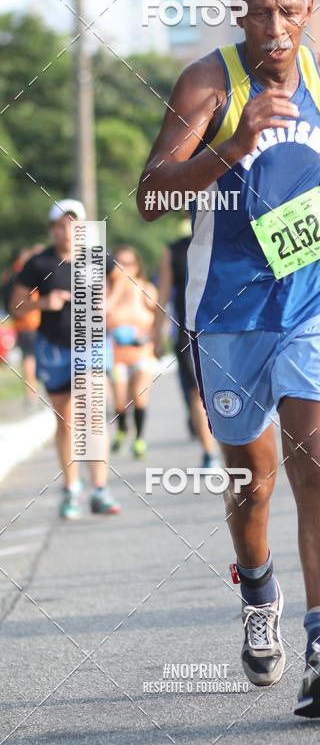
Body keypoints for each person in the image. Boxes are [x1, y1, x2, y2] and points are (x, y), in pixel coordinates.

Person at [137, 0, 320, 718]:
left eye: (289, 11)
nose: (275, 27)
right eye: (260, 12)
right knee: (252, 481)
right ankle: (258, 590)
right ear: (238, 14)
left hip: (317, 294)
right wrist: (233, 146)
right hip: (229, 309)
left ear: (309, 11)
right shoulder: (208, 85)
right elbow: (150, 195)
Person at [9, 200, 121, 519]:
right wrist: (43, 303)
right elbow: (15, 305)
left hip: (91, 342)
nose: (68, 232)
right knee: (67, 420)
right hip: (55, 346)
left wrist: (107, 302)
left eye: (74, 225)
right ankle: (72, 488)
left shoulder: (96, 256)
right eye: (61, 226)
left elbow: (123, 282)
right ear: (52, 230)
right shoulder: (39, 263)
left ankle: (100, 489)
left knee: (92, 414)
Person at [153, 229, 219, 467]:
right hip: (188, 332)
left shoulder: (224, 236)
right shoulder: (173, 251)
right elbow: (163, 295)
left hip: (225, 327)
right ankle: (210, 453)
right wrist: (156, 335)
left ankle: (234, 446)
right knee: (196, 392)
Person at [107, 245, 158, 459]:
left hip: (142, 353)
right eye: (119, 263)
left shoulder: (146, 289)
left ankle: (139, 438)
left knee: (139, 395)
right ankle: (122, 428)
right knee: (120, 400)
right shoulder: (108, 290)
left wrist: (150, 337)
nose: (124, 268)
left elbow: (159, 318)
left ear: (137, 266)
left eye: (129, 263)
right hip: (117, 355)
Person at [3, 245, 43, 410]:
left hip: (20, 322)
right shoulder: (24, 275)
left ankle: (31, 393)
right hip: (31, 321)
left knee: (29, 357)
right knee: (30, 357)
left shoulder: (9, 274)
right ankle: (32, 394)